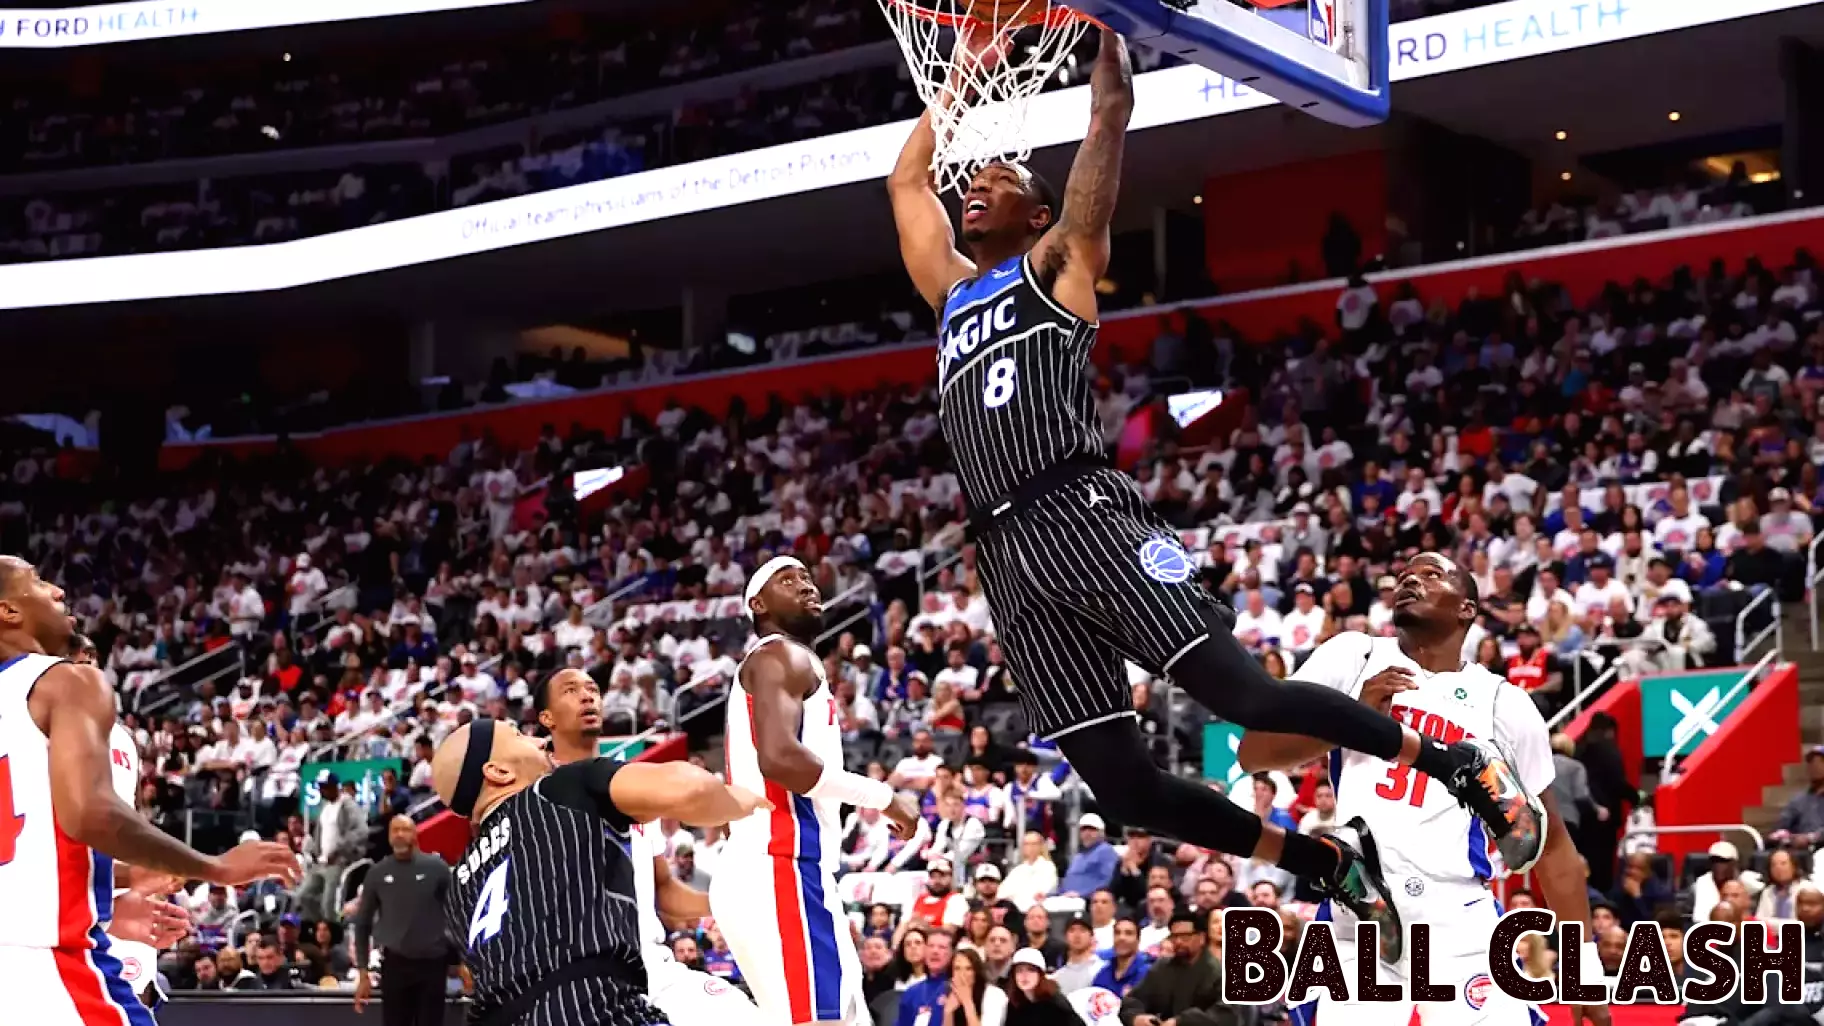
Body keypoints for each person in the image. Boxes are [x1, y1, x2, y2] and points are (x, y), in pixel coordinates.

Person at [886, 28, 1512, 911]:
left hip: (1079, 512)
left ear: (1038, 215)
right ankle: (1316, 860)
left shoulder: (1059, 263)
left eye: (1002, 182)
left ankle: (1451, 762)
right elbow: (905, 182)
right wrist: (956, 81)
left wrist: (1110, 27)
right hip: (1004, 551)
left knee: (1247, 697)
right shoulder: (950, 295)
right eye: (973, 182)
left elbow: (1110, 112)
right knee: (1124, 790)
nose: (975, 185)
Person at [1238, 552, 1607, 1026]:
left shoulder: (1504, 704)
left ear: (1467, 610)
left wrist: (1585, 972)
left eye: (1433, 575)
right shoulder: (1354, 654)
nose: (1410, 580)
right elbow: (1254, 751)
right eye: (1405, 576)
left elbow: (1553, 847)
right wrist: (1353, 715)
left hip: (1457, 914)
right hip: (1361, 913)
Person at [0, 557, 298, 1025]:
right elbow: (90, 814)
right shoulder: (66, 681)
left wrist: (116, 888)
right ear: (8, 612)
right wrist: (213, 867)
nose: (57, 591)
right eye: (36, 582)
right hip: (51, 971)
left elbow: (26, 853)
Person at [431, 718, 768, 1026]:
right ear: (498, 772)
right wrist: (744, 802)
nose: (540, 742)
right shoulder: (557, 790)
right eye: (520, 736)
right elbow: (692, 788)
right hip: (591, 1006)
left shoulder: (458, 884)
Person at [711, 557, 921, 1026]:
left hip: (783, 866)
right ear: (758, 604)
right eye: (788, 580)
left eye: (807, 577)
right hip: (780, 863)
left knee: (844, 1018)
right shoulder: (780, 655)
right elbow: (781, 760)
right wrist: (884, 797)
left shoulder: (784, 662)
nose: (806, 585)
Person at [538, 667, 766, 1026]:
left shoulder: (633, 788)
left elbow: (662, 891)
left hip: (654, 969)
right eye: (570, 690)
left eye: (593, 689)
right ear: (545, 718)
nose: (587, 696)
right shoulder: (536, 800)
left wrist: (730, 905)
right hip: (585, 981)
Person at [352, 815, 463, 1025]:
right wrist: (363, 971)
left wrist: (461, 960)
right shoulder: (377, 873)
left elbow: (458, 915)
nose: (400, 835)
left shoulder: (437, 868)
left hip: (433, 964)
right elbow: (362, 924)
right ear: (389, 836)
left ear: (415, 833)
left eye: (405, 829)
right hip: (395, 965)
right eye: (395, 830)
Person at [1118, 910, 1232, 1026]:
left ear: (1201, 938)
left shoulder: (1221, 972)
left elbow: (1225, 1015)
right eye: (1174, 936)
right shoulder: (1162, 967)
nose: (1178, 942)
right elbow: (1133, 1000)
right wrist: (1137, 1018)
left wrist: (1180, 1022)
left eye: (1185, 936)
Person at [1003, 948, 1078, 1026]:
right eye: (1019, 970)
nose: (1024, 975)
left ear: (1040, 975)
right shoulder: (1014, 1004)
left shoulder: (1056, 1004)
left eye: (1031, 970)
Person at [943, 947, 1007, 1026]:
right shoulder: (947, 993)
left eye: (968, 969)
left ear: (976, 972)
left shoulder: (994, 994)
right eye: (957, 968)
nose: (962, 974)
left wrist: (967, 1002)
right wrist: (948, 1012)